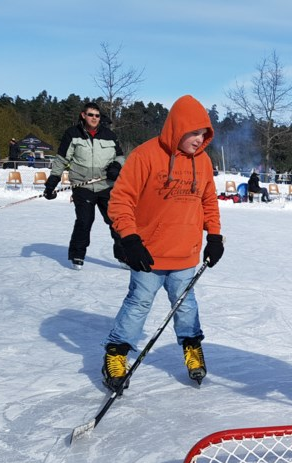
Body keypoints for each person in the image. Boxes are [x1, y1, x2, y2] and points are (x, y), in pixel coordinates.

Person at [101, 94, 223, 391]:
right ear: (178, 128)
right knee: (138, 304)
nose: (199, 139)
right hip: (149, 253)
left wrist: (215, 235)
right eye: (193, 132)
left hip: (186, 252)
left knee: (186, 307)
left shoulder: (204, 162)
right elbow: (120, 200)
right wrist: (129, 239)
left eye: (203, 134)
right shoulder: (145, 155)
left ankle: (192, 348)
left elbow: (209, 200)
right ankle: (116, 355)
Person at [44, 102, 126, 270]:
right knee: (84, 221)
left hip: (107, 185)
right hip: (83, 185)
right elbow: (61, 160)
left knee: (116, 221)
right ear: (83, 115)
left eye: (97, 115)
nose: (94, 118)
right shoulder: (73, 134)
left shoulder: (109, 135)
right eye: (91, 115)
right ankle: (77, 255)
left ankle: (124, 257)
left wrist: (116, 167)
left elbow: (120, 157)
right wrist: (52, 182)